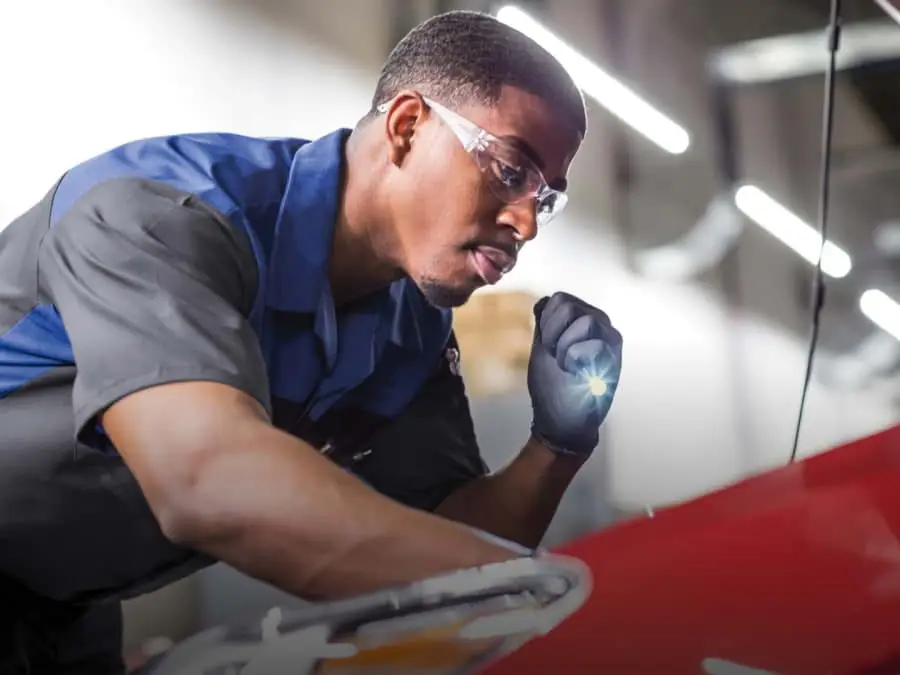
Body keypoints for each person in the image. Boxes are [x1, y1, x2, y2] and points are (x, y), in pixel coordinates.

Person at [0, 9, 623, 674]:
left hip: (65, 609)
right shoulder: (163, 213)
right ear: (407, 127)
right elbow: (207, 479)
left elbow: (453, 537)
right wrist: (556, 599)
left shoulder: (407, 324)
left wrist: (557, 445)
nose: (526, 223)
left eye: (545, 197)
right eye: (510, 170)